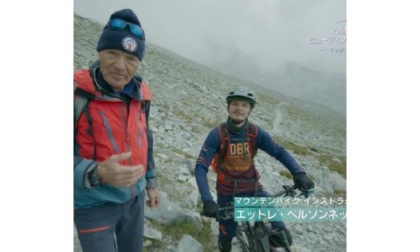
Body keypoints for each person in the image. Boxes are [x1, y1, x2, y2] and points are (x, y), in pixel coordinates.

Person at [74, 9, 160, 252]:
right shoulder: (76, 94)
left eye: (131, 59)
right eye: (112, 53)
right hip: (93, 205)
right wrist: (96, 172)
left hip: (134, 201)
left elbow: (146, 139)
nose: (121, 66)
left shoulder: (142, 95)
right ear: (100, 51)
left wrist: (151, 183)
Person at [195, 87, 315, 251]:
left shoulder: (255, 132)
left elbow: (279, 152)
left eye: (244, 105)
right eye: (235, 104)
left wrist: (299, 173)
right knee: (226, 238)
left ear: (250, 110)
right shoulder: (217, 134)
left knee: (283, 236)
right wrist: (208, 200)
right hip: (227, 193)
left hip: (253, 190)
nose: (239, 108)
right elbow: (201, 167)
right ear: (228, 107)